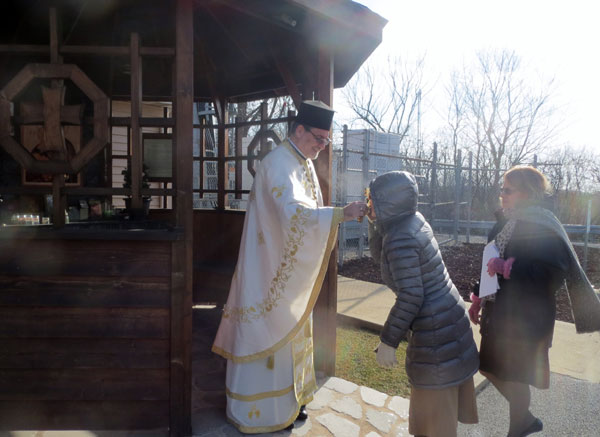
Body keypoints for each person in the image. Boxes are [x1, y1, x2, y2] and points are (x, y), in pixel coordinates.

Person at [211, 100, 367, 434]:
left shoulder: (302, 159)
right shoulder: (279, 163)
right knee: (269, 330)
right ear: (299, 129)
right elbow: (294, 216)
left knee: (292, 332)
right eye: (319, 139)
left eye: (327, 141)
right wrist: (341, 213)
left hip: (286, 270)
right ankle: (262, 411)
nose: (322, 146)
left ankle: (293, 401)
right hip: (267, 271)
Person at [468, 165, 600, 437]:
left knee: (515, 376)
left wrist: (509, 268)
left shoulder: (543, 225)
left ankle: (518, 428)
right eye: (501, 190)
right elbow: (489, 263)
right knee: (488, 367)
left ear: (527, 193)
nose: (502, 195)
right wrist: (479, 297)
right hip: (499, 312)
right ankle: (526, 419)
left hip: (527, 318)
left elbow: (553, 274)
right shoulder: (503, 223)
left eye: (508, 190)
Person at [366, 171, 479, 437]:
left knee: (434, 418)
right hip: (446, 317)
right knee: (436, 412)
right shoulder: (411, 221)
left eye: (371, 199)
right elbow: (381, 258)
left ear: (387, 202)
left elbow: (411, 295)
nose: (367, 203)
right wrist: (373, 221)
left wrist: (388, 342)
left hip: (436, 329)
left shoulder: (400, 237)